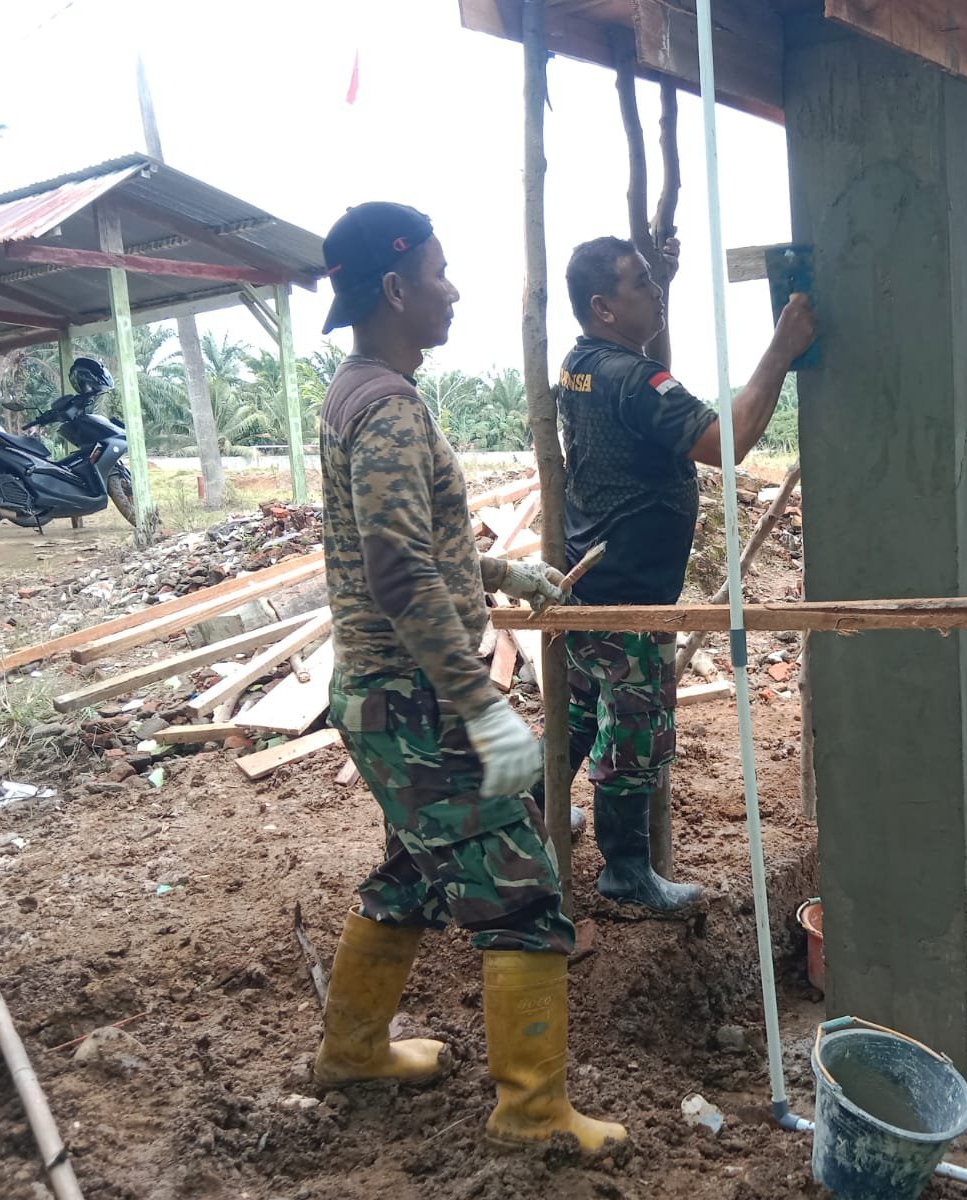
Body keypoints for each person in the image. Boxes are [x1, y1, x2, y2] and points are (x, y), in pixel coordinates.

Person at [310, 201, 622, 1152]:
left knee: (416, 871)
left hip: (387, 694)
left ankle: (354, 1051)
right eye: (440, 273)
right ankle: (532, 1115)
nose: (454, 289)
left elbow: (412, 544)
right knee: (524, 890)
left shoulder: (361, 391)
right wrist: (480, 702)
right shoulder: (389, 408)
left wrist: (499, 573)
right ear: (395, 288)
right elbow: (398, 572)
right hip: (415, 700)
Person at [549, 235, 815, 912]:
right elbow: (729, 441)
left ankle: (536, 810)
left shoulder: (580, 364)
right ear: (604, 307)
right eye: (641, 283)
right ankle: (625, 872)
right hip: (632, 596)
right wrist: (781, 350)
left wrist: (659, 272)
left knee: (580, 714)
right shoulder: (633, 380)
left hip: (591, 581)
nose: (656, 292)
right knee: (634, 730)